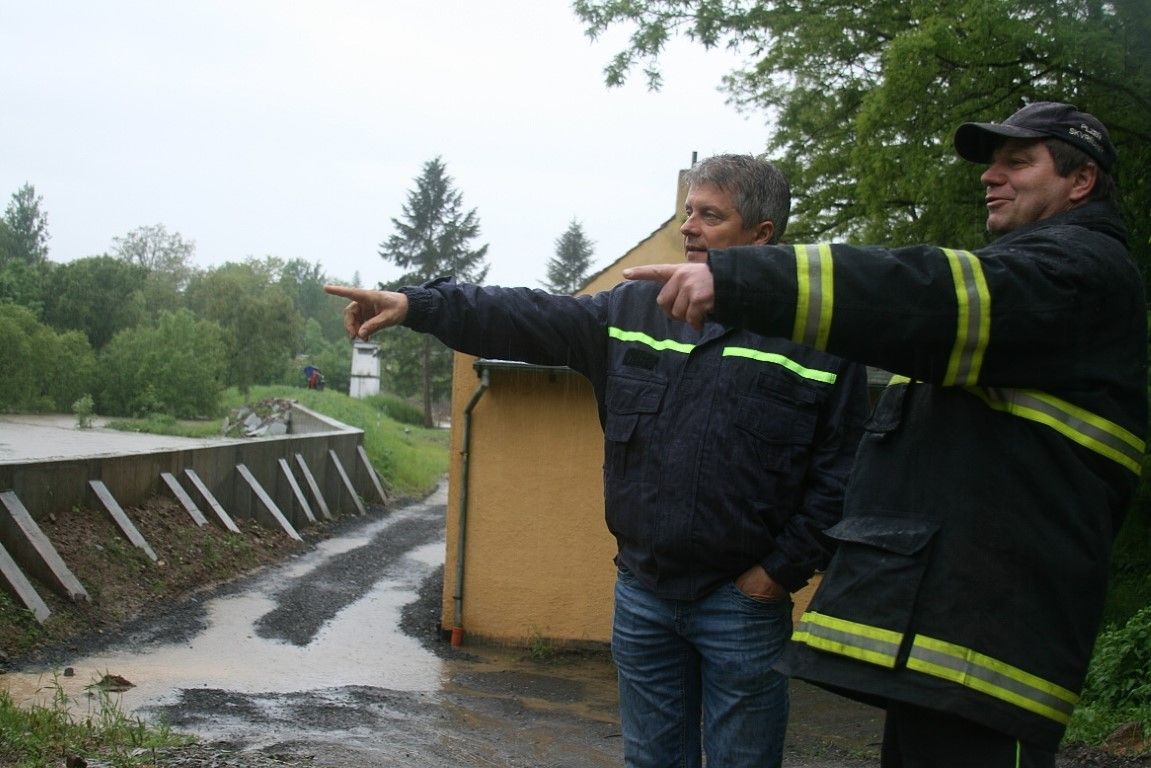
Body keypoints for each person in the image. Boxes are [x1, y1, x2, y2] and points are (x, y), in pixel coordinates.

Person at [624, 102, 1147, 767]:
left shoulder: (1077, 273)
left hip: (988, 656)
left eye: (1017, 162)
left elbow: (922, 296)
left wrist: (739, 281)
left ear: (1080, 182)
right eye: (991, 164)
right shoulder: (1041, 284)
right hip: (953, 653)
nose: (991, 176)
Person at [326, 154, 870, 768]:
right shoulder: (631, 312)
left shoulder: (817, 337)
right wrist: (417, 305)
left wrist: (773, 577)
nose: (689, 226)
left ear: (761, 234)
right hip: (645, 597)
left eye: (710, 215)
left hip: (742, 606)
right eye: (688, 211)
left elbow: (842, 475)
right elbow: (522, 313)